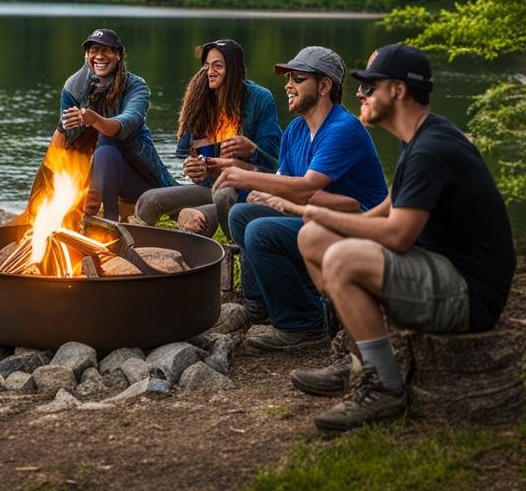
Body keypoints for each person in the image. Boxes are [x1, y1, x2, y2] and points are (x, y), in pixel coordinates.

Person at [290, 44, 515, 433]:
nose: (359, 94)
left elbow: (396, 234)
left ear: (398, 90)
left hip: (467, 293)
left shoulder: (432, 149)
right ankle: (362, 356)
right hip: (437, 272)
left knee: (342, 258)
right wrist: (319, 221)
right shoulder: (421, 139)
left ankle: (384, 387)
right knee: (313, 239)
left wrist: (322, 211)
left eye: (369, 87)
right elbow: (386, 210)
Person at [213, 46, 388, 349]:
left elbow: (305, 188)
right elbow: (283, 184)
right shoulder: (295, 130)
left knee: (261, 230)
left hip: (360, 230)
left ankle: (304, 325)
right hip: (317, 219)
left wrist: (244, 175)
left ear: (324, 86)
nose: (288, 85)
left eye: (297, 77)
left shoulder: (343, 129)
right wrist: (264, 192)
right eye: (288, 77)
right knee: (242, 213)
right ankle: (261, 304)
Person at [134, 39, 281, 237]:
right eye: (207, 66)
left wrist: (252, 150)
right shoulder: (200, 100)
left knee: (200, 213)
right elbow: (193, 160)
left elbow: (275, 168)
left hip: (245, 192)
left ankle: (218, 254)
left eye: (218, 66)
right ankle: (141, 258)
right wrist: (195, 169)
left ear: (235, 69)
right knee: (149, 199)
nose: (210, 71)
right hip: (209, 188)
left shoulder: (260, 99)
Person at [58, 28, 175, 221]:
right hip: (94, 177)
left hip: (139, 179)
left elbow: (126, 122)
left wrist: (94, 119)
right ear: (86, 55)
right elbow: (64, 140)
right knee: (78, 154)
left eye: (108, 50)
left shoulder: (136, 86)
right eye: (94, 50)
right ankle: (92, 213)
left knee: (106, 141)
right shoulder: (73, 88)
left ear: (119, 55)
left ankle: (110, 220)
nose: (100, 56)